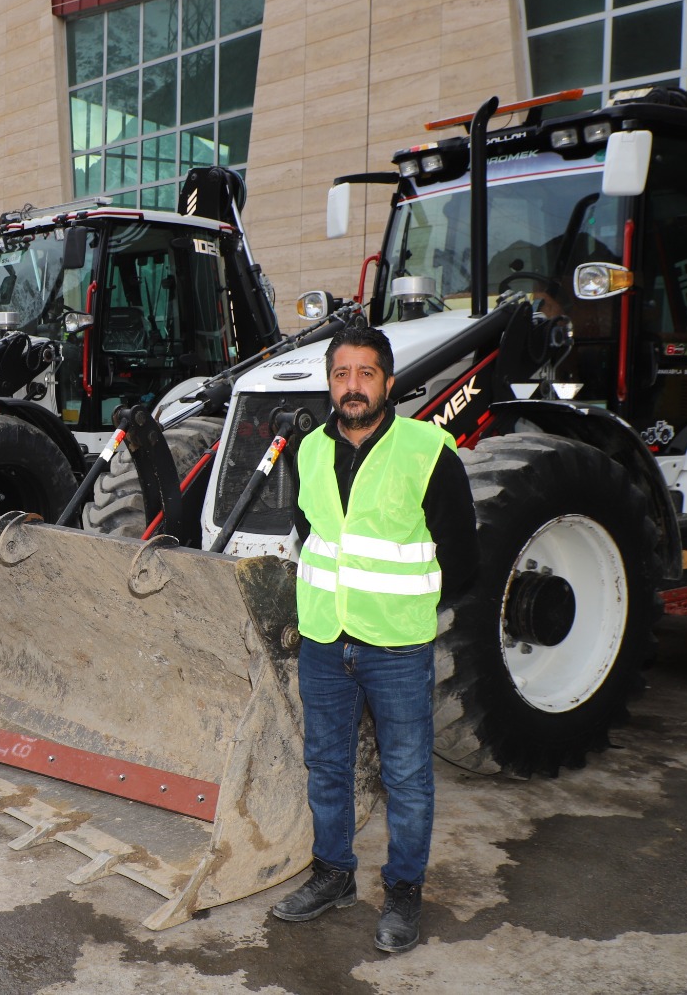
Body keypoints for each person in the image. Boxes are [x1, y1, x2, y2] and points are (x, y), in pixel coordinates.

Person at [271, 324, 476, 954]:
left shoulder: (427, 451)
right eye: (341, 374)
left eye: (365, 373)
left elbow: (463, 558)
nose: (352, 386)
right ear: (329, 383)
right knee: (326, 766)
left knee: (407, 777)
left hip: (396, 647)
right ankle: (333, 875)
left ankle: (404, 892)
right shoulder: (307, 451)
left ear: (388, 381)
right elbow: (312, 534)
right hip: (323, 641)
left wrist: (404, 609)